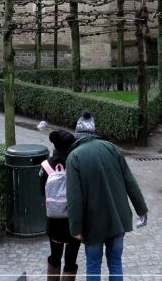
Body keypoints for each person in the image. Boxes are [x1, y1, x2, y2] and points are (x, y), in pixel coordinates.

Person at [65, 111, 147, 281]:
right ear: (93, 132)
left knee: (93, 266)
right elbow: (130, 181)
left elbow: (74, 198)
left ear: (77, 135)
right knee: (116, 263)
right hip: (118, 220)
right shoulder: (112, 149)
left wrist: (75, 228)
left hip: (93, 225)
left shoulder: (74, 157)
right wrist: (141, 209)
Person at [40, 129, 81, 281]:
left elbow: (42, 191)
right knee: (71, 261)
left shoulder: (46, 166)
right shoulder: (76, 165)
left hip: (54, 222)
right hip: (73, 222)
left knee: (55, 257)